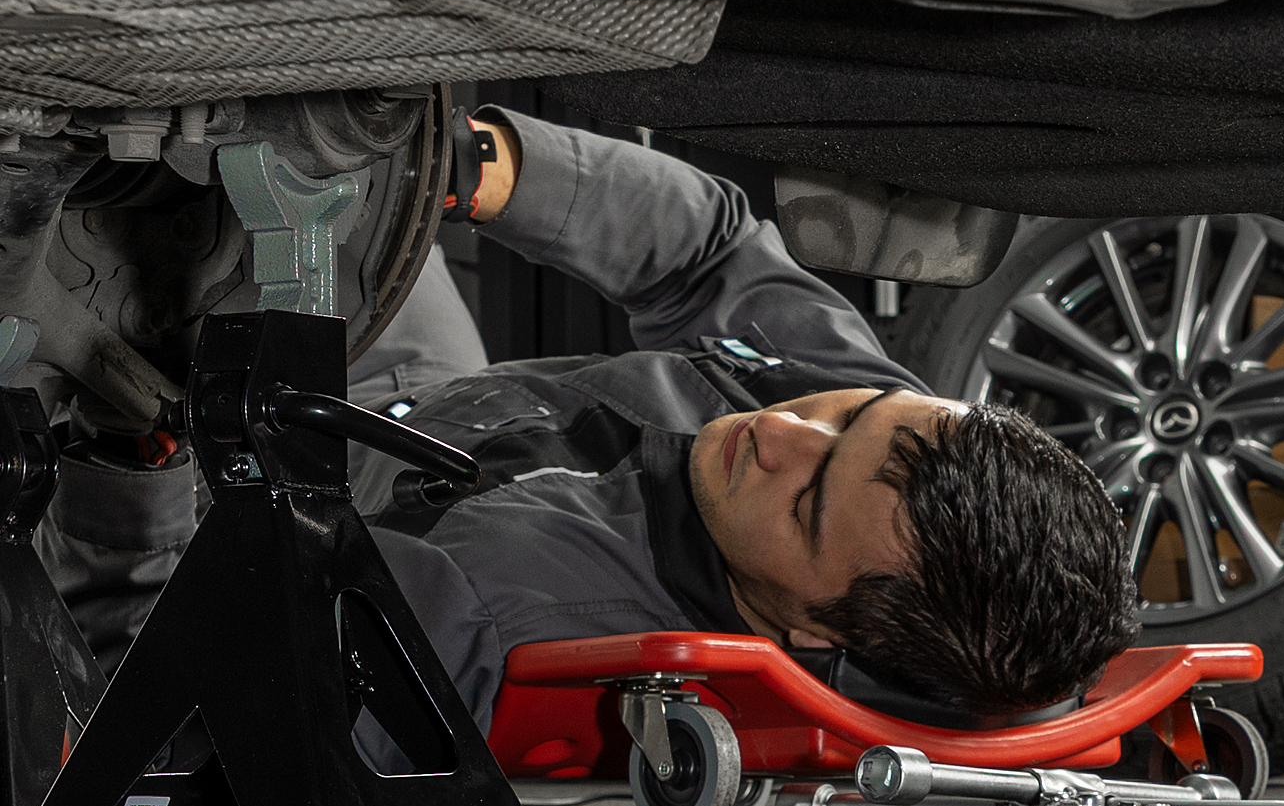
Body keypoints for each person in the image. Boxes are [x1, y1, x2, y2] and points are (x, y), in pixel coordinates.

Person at [39, 109, 1139, 744]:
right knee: (347, 143)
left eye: (806, 502)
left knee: (79, 292)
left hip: (249, 489)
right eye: (847, 416)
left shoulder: (511, 635)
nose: (781, 432)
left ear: (813, 639)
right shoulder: (879, 455)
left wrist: (130, 464)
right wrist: (476, 169)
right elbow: (709, 253)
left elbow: (163, 693)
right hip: (429, 391)